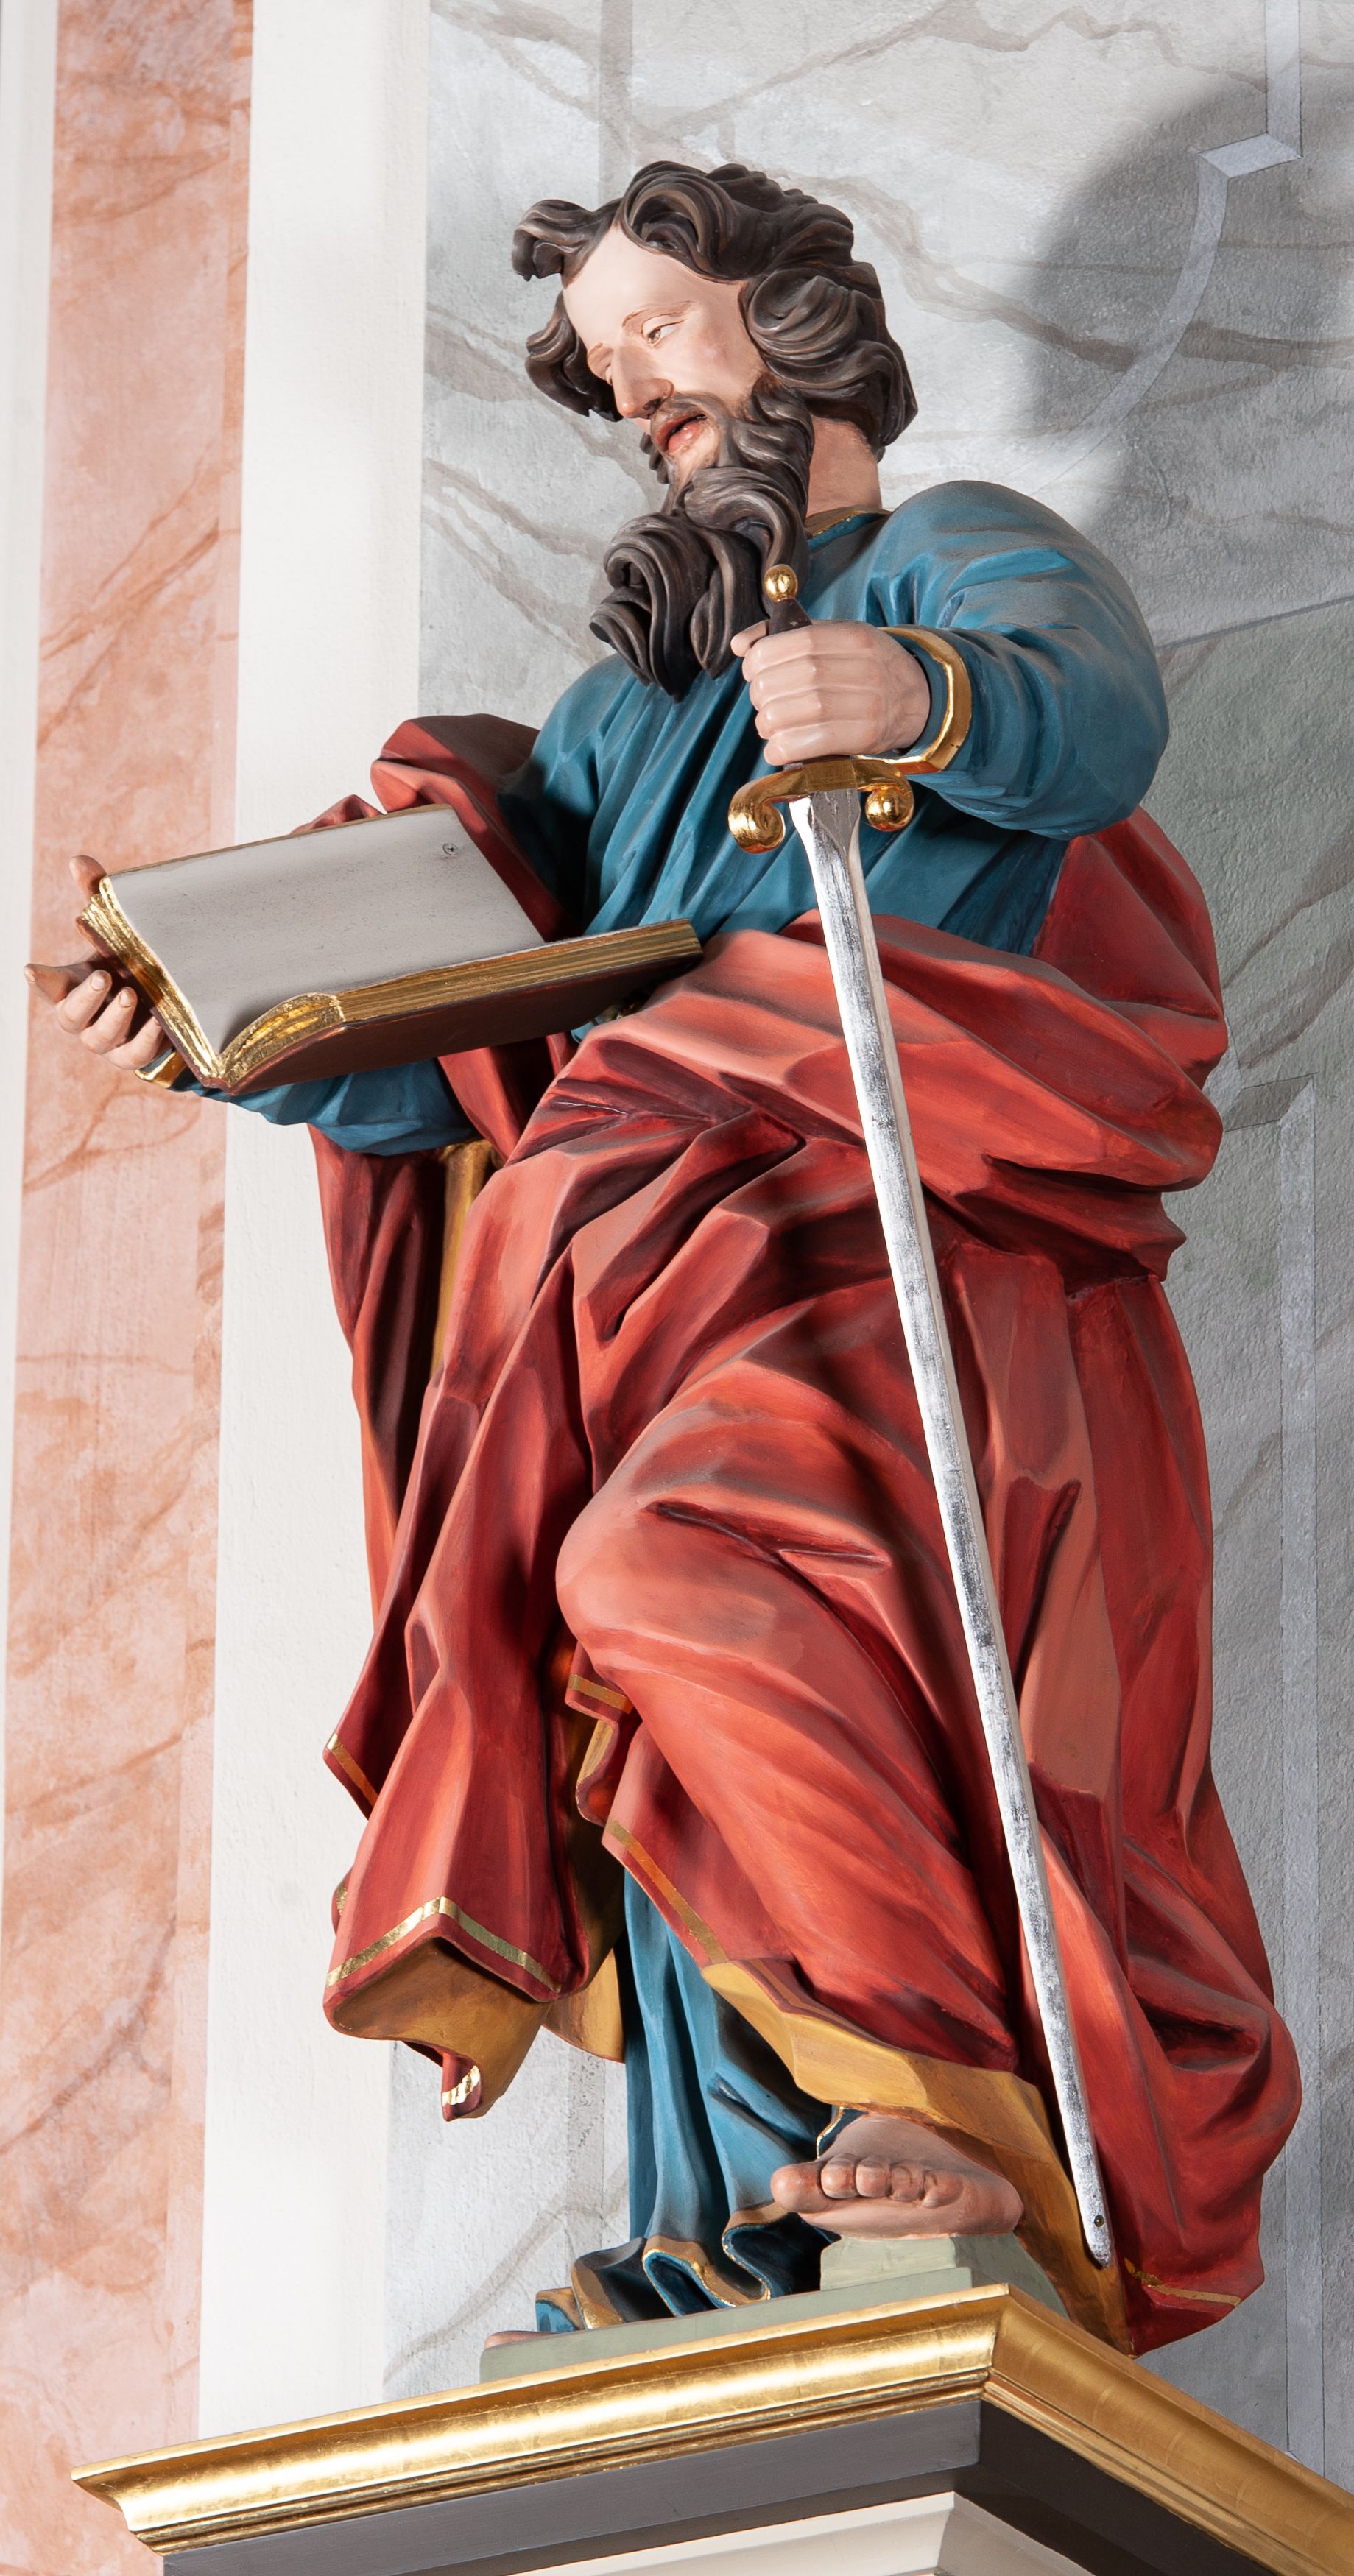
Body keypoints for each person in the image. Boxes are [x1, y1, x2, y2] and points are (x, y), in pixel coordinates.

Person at [43, 163, 1297, 2353]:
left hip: (880, 1241)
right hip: (620, 1271)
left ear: (799, 329)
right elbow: (491, 1043)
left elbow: (1091, 708)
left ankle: (947, 2101)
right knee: (619, 1683)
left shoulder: (953, 548)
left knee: (678, 1584)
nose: (633, 393)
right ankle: (742, 2201)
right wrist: (249, 1027)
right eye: (603, 372)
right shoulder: (618, 722)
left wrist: (913, 693)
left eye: (660, 337)